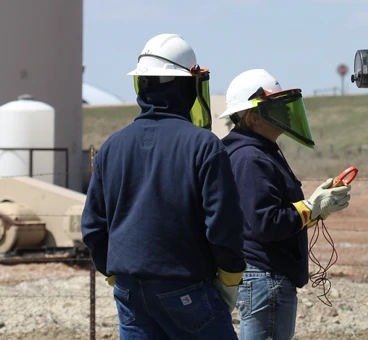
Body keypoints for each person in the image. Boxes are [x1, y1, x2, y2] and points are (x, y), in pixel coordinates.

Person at [81, 33, 246, 340]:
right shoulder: (203, 145)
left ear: (140, 84)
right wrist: (230, 274)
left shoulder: (112, 147)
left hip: (130, 290)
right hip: (186, 287)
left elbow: (92, 227)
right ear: (187, 85)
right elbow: (223, 224)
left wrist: (116, 272)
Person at [218, 69, 352, 339]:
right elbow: (266, 223)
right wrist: (311, 208)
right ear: (253, 116)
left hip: (264, 278)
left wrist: (316, 209)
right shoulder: (250, 158)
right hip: (265, 278)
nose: (286, 113)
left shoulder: (256, 152)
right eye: (276, 107)